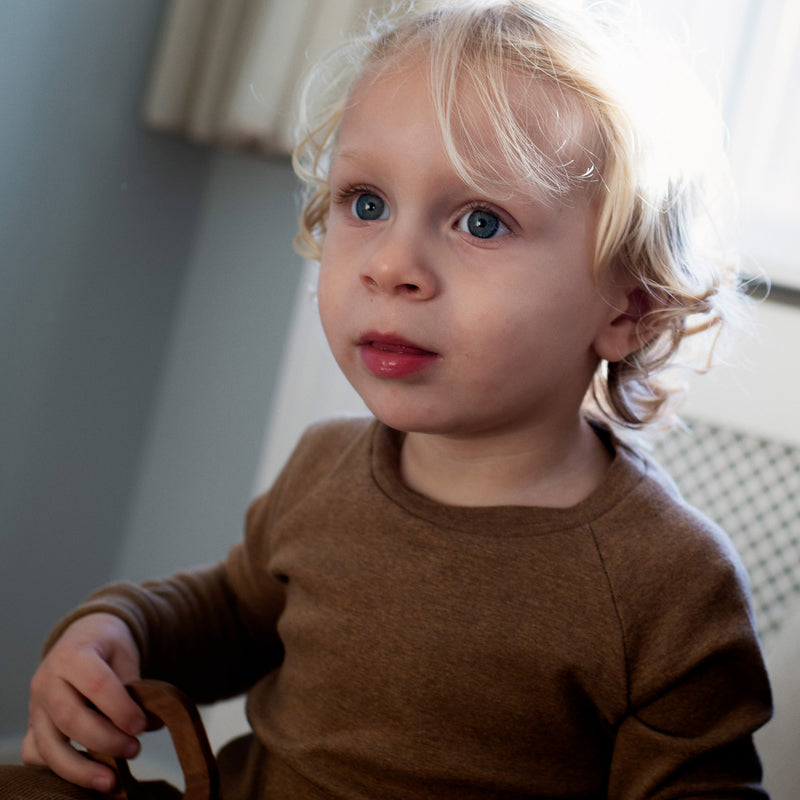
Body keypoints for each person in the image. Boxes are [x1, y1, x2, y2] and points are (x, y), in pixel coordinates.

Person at [3, 1, 772, 797]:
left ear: (629, 308)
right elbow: (233, 614)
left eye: (481, 221)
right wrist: (116, 632)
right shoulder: (324, 468)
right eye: (366, 204)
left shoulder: (668, 581)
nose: (391, 264)